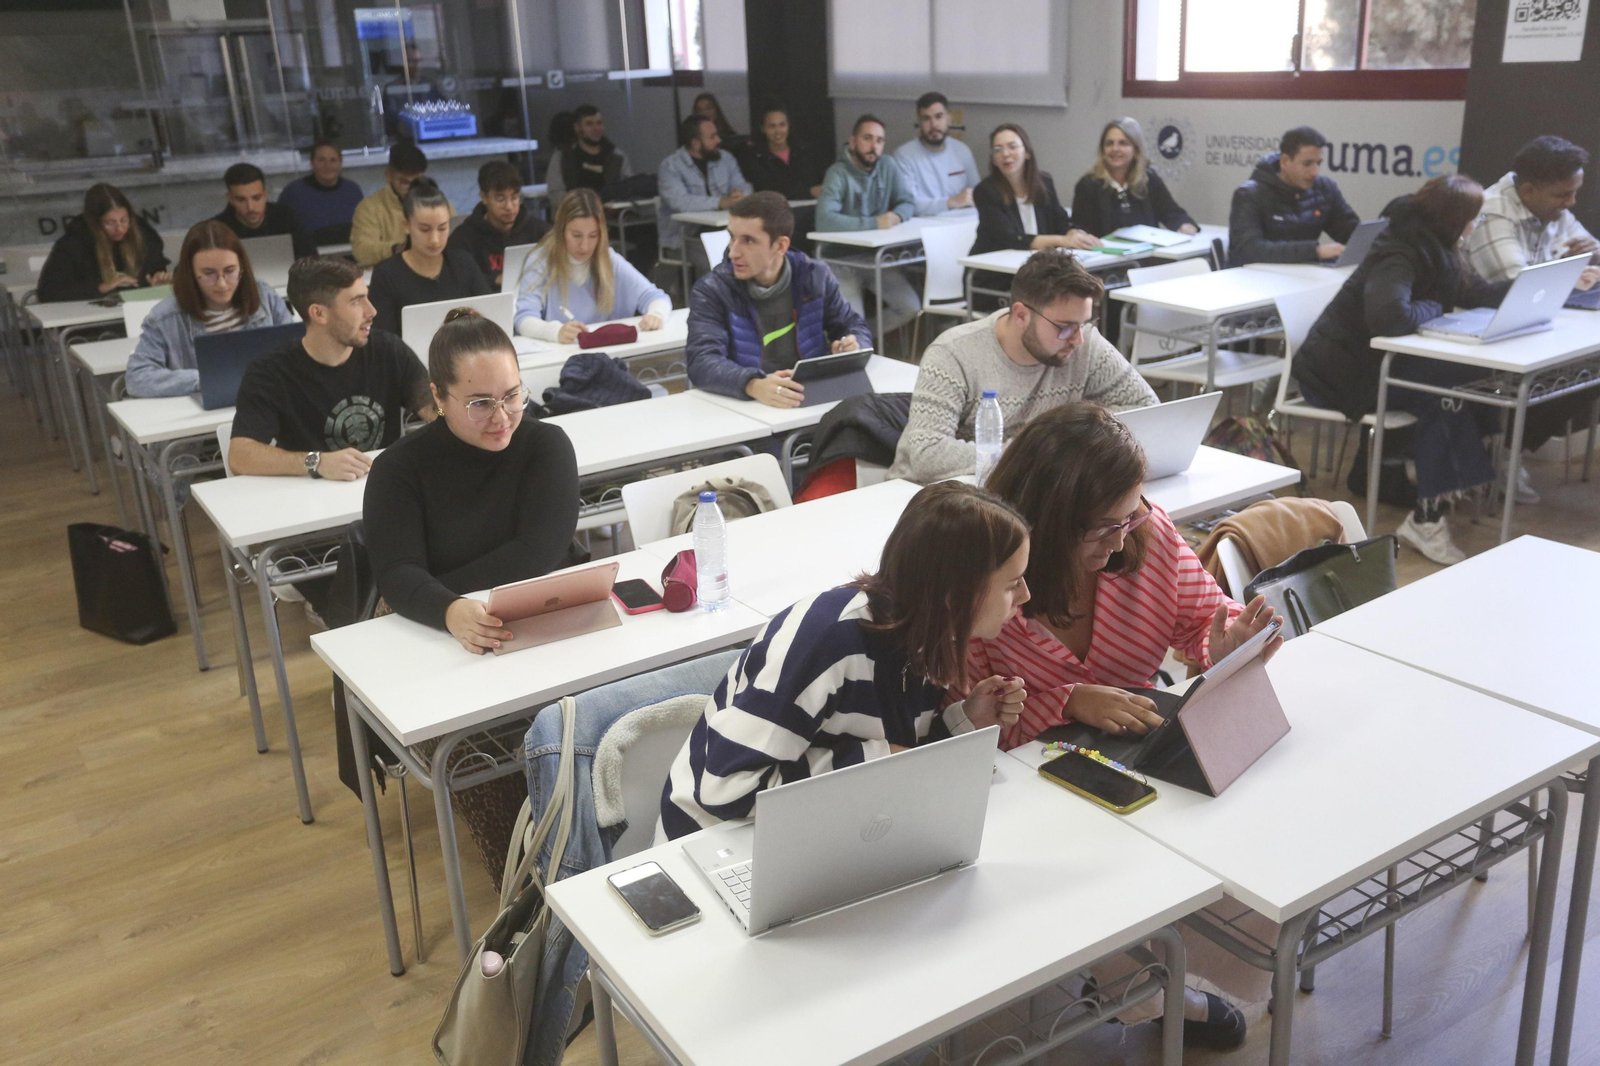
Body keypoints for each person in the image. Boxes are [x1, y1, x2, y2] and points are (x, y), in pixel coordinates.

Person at [954, 400, 1281, 1049]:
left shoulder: (1146, 534)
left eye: (1131, 512)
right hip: (1021, 774)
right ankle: (1148, 986)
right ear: (1046, 525)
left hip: (1128, 748)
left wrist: (1231, 638)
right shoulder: (984, 572)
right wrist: (1069, 701)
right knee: (1112, 850)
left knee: (1244, 824)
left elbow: (1199, 623)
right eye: (1103, 526)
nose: (1125, 534)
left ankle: (1159, 980)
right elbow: (963, 720)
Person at [660, 480, 1033, 839]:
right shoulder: (826, 640)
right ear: (956, 592)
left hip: (822, 830)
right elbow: (726, 788)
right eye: (1012, 583)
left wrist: (964, 720)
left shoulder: (929, 636)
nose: (1026, 595)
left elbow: (898, 752)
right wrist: (880, 758)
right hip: (714, 838)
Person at [363, 307, 578, 880]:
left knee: (602, 728)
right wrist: (445, 609)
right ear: (438, 396)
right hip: (443, 636)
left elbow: (539, 552)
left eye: (513, 395)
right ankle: (533, 889)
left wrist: (434, 592)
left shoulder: (545, 445)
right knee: (486, 755)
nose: (502, 416)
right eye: (480, 402)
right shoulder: (399, 469)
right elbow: (396, 571)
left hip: (534, 616)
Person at [1292, 175, 1511, 566]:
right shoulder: (1401, 249)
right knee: (1447, 394)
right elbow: (1389, 317)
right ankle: (1427, 518)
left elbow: (1472, 292)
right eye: (1471, 218)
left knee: (1463, 381)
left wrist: (1533, 286)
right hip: (1341, 374)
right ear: (1453, 219)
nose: (1474, 226)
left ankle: (1445, 497)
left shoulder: (1440, 248)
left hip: (1370, 364)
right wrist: (1435, 309)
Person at [889, 250, 1157, 484]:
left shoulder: (1086, 345)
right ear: (1020, 315)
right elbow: (928, 455)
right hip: (926, 498)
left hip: (1019, 487)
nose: (1078, 339)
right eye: (1064, 327)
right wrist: (1039, 451)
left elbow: (1149, 410)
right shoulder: (953, 354)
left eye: (1084, 323)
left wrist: (1075, 437)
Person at [228, 256, 432, 479]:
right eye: (356, 301)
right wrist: (317, 461)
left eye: (367, 297)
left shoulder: (388, 350)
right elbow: (240, 455)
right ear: (319, 313)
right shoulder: (270, 372)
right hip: (311, 499)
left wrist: (450, 412)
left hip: (385, 486)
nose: (371, 311)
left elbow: (433, 409)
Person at [685, 192, 871, 405]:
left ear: (780, 246)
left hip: (811, 397)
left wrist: (853, 345)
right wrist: (753, 384)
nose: (733, 252)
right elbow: (701, 361)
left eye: (748, 240)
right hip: (749, 404)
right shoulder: (713, 290)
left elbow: (853, 325)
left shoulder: (813, 276)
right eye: (732, 238)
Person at [125, 220, 296, 397]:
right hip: (204, 416)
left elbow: (297, 353)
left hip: (266, 401)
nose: (222, 284)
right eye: (209, 274)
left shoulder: (264, 295)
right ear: (191, 273)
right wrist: (206, 379)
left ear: (242, 267)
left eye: (230, 271)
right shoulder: (164, 317)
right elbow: (136, 378)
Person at [514, 189, 671, 342]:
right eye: (576, 236)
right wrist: (555, 331)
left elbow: (655, 297)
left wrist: (656, 315)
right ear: (561, 230)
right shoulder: (541, 261)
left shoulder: (608, 259)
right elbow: (524, 318)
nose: (585, 246)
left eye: (593, 236)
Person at [816, 114, 921, 337]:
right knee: (853, 325)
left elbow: (907, 201)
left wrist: (897, 216)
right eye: (867, 138)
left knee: (910, 306)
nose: (874, 146)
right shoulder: (837, 173)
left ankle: (863, 339)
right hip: (839, 260)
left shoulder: (888, 166)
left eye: (880, 140)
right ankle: (856, 341)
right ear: (853, 141)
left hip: (874, 258)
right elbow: (824, 219)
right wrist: (874, 223)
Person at [969, 123, 1088, 307]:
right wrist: (1062, 240)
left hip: (1038, 277)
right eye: (998, 149)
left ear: (1027, 152)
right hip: (995, 279)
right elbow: (1012, 239)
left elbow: (1061, 221)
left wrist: (1073, 233)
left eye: (1012, 146)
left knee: (1078, 291)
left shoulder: (1044, 183)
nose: (1005, 154)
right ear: (993, 159)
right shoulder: (986, 191)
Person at [1468, 134, 1600, 291]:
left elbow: (1595, 250)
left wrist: (1595, 255)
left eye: (1574, 192)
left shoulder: (1555, 209)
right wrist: (1570, 276)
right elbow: (1516, 287)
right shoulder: (1490, 213)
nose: (1571, 202)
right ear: (1528, 191)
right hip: (1485, 312)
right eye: (1563, 195)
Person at [367, 178, 493, 337]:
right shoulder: (386, 274)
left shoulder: (463, 263)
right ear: (406, 226)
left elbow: (489, 317)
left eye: (442, 228)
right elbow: (383, 337)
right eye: (425, 229)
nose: (434, 239)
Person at [1228, 125, 1360, 266]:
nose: (1315, 172)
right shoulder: (1249, 195)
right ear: (1285, 161)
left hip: (1303, 275)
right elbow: (1249, 251)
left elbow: (1353, 235)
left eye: (1318, 163)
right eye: (1307, 164)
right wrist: (1315, 251)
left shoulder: (1325, 189)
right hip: (1255, 280)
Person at [36, 183, 170, 302]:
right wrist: (101, 287)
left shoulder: (143, 235)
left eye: (124, 220)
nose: (120, 228)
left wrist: (157, 280)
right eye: (110, 223)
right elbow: (49, 292)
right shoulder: (74, 244)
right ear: (96, 223)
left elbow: (155, 269)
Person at [1070, 117, 1198, 240]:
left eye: (1123, 143)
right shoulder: (1088, 185)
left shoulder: (1148, 180)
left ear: (1136, 150)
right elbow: (1080, 231)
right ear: (1102, 150)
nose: (1115, 149)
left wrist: (1185, 225)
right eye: (1109, 143)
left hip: (1148, 257)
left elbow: (1172, 213)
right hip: (1105, 258)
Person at [657, 113, 753, 262]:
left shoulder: (725, 158)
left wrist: (741, 195)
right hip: (684, 238)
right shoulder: (670, 166)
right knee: (718, 257)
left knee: (754, 248)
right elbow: (680, 202)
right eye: (712, 137)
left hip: (725, 229)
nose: (719, 140)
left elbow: (743, 185)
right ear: (696, 143)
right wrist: (721, 202)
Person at [448, 160, 548, 287]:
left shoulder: (539, 230)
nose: (509, 207)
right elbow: (459, 279)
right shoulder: (463, 239)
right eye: (500, 199)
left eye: (514, 198)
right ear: (484, 197)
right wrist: (495, 280)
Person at [351, 141, 451, 267]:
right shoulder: (369, 207)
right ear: (389, 175)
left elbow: (455, 235)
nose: (410, 188)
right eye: (404, 182)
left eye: (416, 182)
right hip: (389, 272)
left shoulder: (436, 203)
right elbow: (361, 249)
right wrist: (396, 249)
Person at [891, 91, 979, 216]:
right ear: (919, 121)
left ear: (949, 118)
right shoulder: (904, 155)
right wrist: (951, 202)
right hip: (923, 227)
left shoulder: (962, 150)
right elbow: (909, 204)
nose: (933, 125)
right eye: (926, 118)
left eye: (939, 116)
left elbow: (977, 192)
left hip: (962, 223)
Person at [212, 162, 317, 260]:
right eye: (241, 200)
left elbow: (311, 260)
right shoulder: (217, 229)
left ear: (265, 195)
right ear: (230, 198)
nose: (250, 207)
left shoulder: (285, 217)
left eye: (256, 198)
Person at [278, 139, 364, 247]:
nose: (327, 165)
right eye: (321, 160)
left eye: (333, 160)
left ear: (340, 163)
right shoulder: (293, 193)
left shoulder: (353, 191)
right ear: (312, 162)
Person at [739, 106, 827, 201]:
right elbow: (767, 191)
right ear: (763, 129)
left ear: (788, 126)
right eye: (772, 126)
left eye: (782, 125)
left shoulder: (804, 151)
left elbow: (817, 181)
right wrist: (808, 192)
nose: (778, 131)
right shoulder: (754, 157)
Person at [545, 104, 633, 199]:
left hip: (610, 211)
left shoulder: (617, 156)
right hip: (575, 211)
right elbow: (555, 192)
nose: (596, 128)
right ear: (577, 128)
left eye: (599, 123)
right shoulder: (562, 156)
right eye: (589, 124)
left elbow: (629, 188)